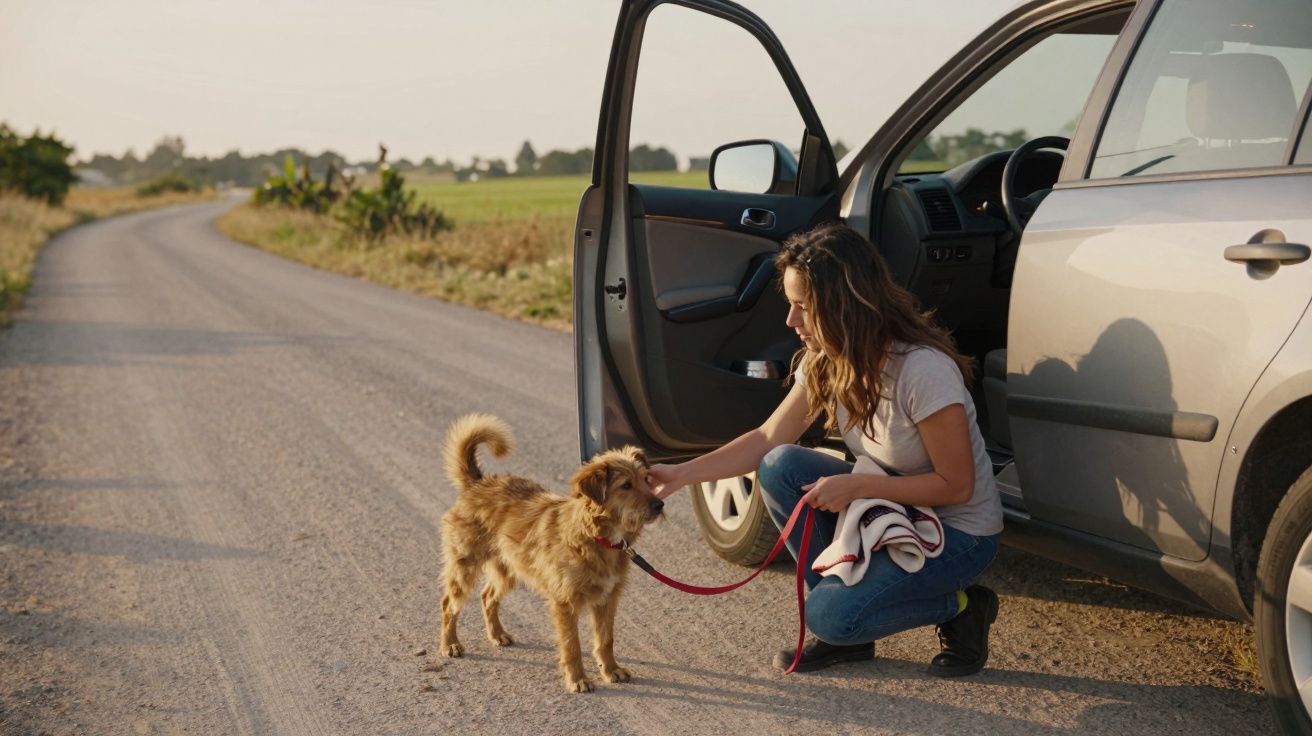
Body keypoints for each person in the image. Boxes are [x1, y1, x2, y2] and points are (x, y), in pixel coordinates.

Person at [648, 222, 1003, 675]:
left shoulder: (922, 371)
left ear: (846, 304)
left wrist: (855, 487)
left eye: (803, 307)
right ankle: (848, 631)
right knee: (780, 464)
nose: (791, 321)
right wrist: (680, 475)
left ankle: (961, 606)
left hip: (958, 533)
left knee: (829, 617)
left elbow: (956, 486)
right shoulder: (827, 360)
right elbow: (765, 440)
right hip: (893, 513)